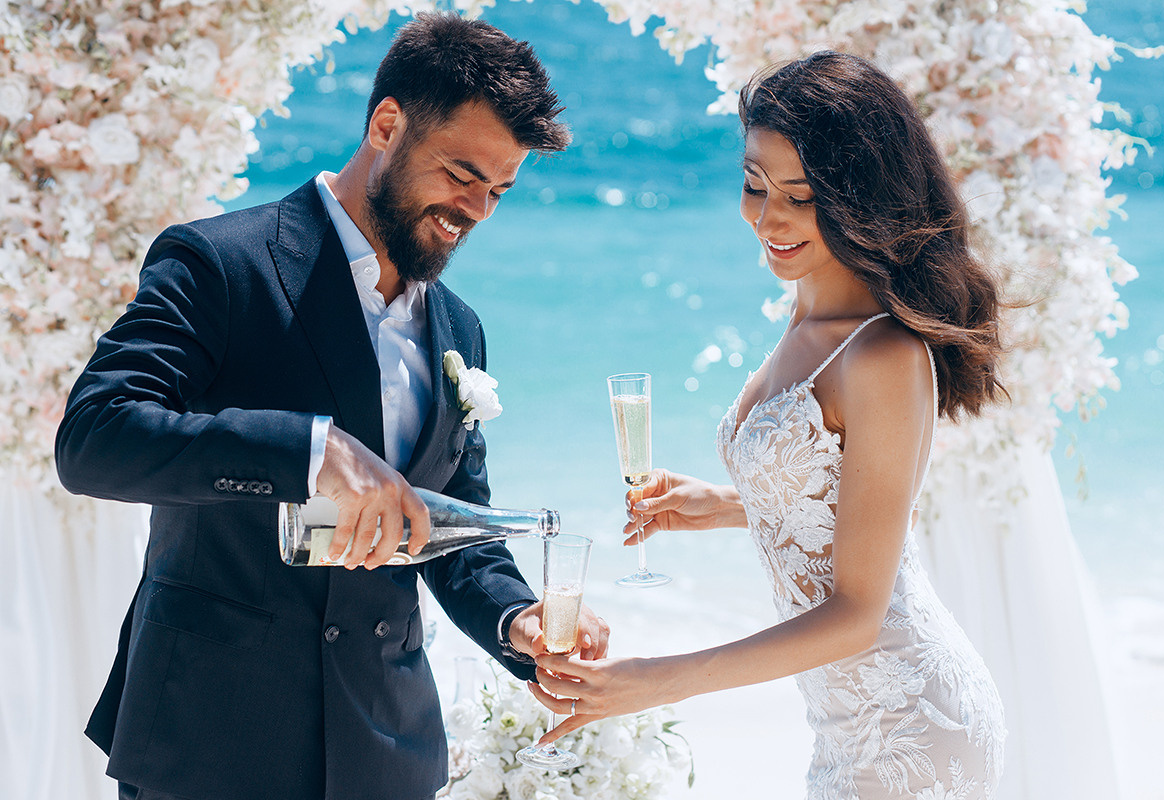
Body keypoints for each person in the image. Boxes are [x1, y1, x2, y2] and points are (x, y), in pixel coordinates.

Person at [55, 13, 609, 800]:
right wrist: (313, 452)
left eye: (498, 190)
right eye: (461, 174)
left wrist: (516, 620)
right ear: (388, 125)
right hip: (209, 745)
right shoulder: (218, 263)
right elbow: (94, 438)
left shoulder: (461, 327)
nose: (478, 210)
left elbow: (451, 521)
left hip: (389, 751)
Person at [529, 52, 1007, 798]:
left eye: (802, 195)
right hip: (844, 723)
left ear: (860, 198)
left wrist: (662, 680)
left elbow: (857, 612)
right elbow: (859, 503)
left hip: (913, 729)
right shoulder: (810, 310)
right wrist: (727, 505)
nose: (770, 217)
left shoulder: (882, 351)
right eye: (755, 186)